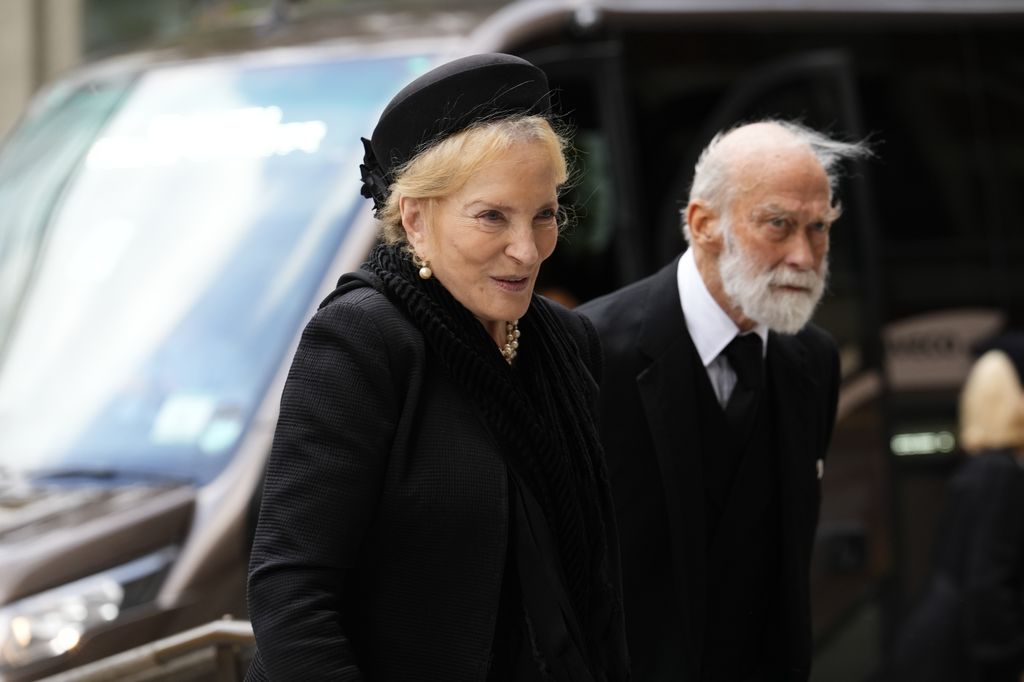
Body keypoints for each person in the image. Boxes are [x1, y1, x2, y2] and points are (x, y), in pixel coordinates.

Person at [245, 53, 628, 681]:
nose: (527, 250)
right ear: (416, 220)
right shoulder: (362, 340)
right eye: (492, 216)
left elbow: (595, 589)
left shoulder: (568, 343)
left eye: (544, 215)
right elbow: (290, 599)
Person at [577, 120, 870, 681]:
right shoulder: (590, 350)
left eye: (819, 227)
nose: (805, 256)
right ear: (704, 224)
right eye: (779, 225)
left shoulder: (814, 361)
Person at [890, 338, 1024, 682]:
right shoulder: (1001, 473)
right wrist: (1006, 661)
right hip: (960, 655)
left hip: (940, 645)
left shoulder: (981, 469)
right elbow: (987, 584)